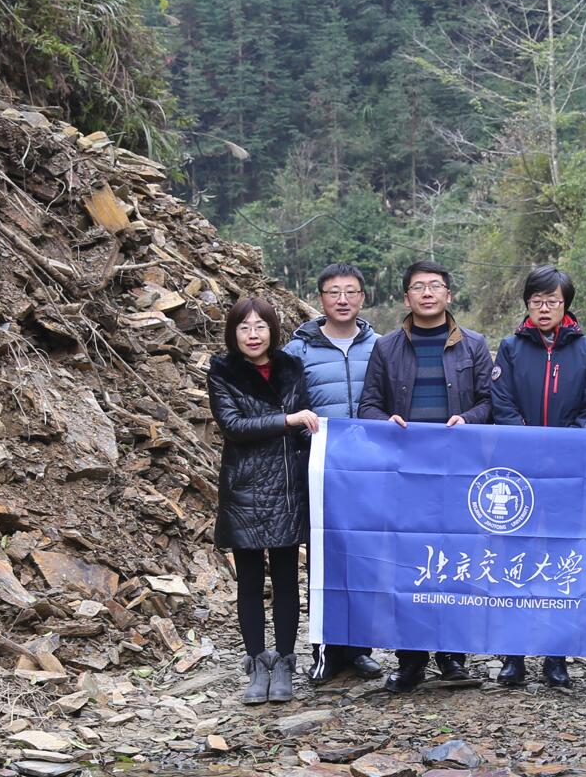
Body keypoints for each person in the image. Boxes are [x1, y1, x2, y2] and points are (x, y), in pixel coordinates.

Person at [358, 260, 494, 692]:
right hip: (406, 476)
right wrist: (386, 422)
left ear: (448, 295)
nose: (428, 293)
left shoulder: (474, 344)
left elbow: (490, 402)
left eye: (435, 286)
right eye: (419, 287)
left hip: (459, 474)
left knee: (457, 560)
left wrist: (468, 419)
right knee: (410, 564)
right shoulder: (387, 347)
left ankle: (452, 656)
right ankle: (411, 659)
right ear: (406, 297)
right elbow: (367, 405)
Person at [491, 265, 586, 687]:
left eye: (552, 301)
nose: (544, 308)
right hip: (518, 474)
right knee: (515, 559)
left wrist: (564, 445)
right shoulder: (510, 347)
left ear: (565, 305)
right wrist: (527, 442)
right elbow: (500, 402)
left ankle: (556, 656)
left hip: (566, 474)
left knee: (560, 560)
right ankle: (513, 655)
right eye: (537, 301)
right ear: (527, 304)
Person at [207, 297, 319, 705]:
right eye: (244, 328)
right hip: (246, 487)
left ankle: (285, 661)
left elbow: (306, 427)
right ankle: (257, 662)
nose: (253, 335)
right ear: (233, 333)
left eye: (260, 327)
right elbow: (233, 425)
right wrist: (288, 420)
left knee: (288, 578)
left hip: (287, 485)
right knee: (251, 581)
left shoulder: (291, 368)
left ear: (272, 330)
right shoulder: (223, 372)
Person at [283, 262, 383, 684]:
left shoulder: (380, 345)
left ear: (362, 296)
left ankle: (359, 649)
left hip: (369, 470)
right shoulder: (298, 350)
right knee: (324, 557)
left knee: (365, 557)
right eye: (333, 292)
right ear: (320, 298)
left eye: (351, 292)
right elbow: (286, 405)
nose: (343, 300)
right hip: (320, 467)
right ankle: (325, 649)